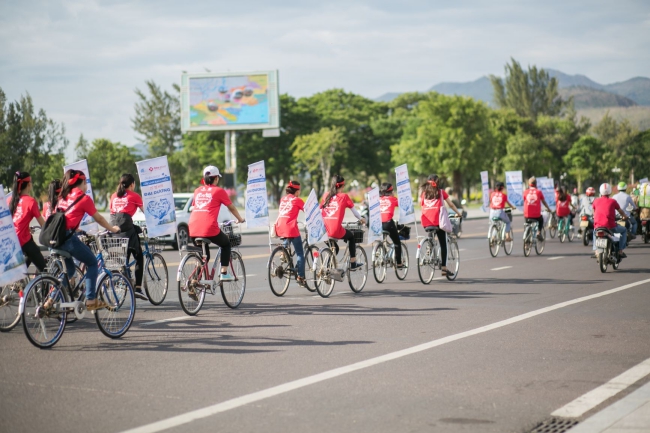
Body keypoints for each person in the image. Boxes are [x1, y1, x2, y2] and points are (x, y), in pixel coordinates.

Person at [49, 169, 121, 311]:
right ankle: (90, 299)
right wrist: (113, 229)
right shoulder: (83, 198)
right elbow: (99, 218)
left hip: (56, 238)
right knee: (92, 262)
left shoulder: (63, 196)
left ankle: (50, 301)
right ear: (82, 182)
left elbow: (63, 219)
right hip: (68, 239)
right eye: (86, 182)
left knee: (69, 271)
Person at [188, 166, 245, 283]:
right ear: (216, 179)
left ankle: (195, 281)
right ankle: (224, 272)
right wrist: (240, 219)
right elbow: (231, 207)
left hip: (193, 228)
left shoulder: (197, 191)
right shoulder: (219, 191)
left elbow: (194, 207)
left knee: (204, 257)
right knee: (226, 244)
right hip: (208, 227)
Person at [109, 174, 148, 301]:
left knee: (123, 254)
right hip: (126, 227)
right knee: (139, 256)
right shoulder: (134, 196)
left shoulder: (114, 196)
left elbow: (114, 213)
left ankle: (124, 275)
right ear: (132, 184)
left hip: (114, 227)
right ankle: (137, 288)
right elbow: (146, 212)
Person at [420, 174, 462, 277]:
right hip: (438, 222)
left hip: (426, 222)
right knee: (443, 244)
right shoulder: (441, 192)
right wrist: (458, 213)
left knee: (431, 232)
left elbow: (421, 205)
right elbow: (451, 204)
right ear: (437, 182)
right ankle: (444, 268)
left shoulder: (424, 193)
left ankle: (429, 247)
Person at [321, 175, 366, 269]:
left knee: (335, 249)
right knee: (351, 237)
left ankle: (327, 269)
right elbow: (355, 213)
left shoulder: (326, 195)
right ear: (341, 186)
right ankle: (353, 263)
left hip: (324, 230)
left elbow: (319, 211)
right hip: (335, 230)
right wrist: (361, 219)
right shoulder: (344, 196)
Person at [7, 172, 47, 273]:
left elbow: (15, 220)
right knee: (44, 269)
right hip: (23, 240)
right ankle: (42, 285)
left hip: (10, 240)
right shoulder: (31, 201)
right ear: (29, 185)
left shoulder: (9, 200)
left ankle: (19, 278)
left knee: (29, 255)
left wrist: (26, 228)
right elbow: (43, 224)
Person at [273, 180, 307, 286]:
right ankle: (300, 277)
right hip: (290, 228)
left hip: (279, 227)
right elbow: (309, 211)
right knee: (300, 253)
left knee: (287, 236)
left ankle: (283, 252)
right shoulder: (297, 200)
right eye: (299, 190)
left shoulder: (283, 199)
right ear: (296, 191)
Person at [593, 183, 629, 258]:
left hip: (598, 226)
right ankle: (620, 250)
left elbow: (594, 212)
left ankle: (596, 250)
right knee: (624, 230)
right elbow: (620, 211)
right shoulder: (613, 201)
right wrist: (624, 216)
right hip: (610, 226)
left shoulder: (596, 201)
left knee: (594, 232)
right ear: (610, 191)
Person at [379, 182, 403, 268]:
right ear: (391, 191)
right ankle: (399, 263)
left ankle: (380, 254)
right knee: (397, 242)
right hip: (388, 223)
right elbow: (402, 205)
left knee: (381, 240)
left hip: (377, 224)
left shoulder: (378, 199)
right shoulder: (393, 199)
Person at [523, 177, 552, 241]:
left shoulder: (525, 192)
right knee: (541, 220)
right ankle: (539, 232)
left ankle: (526, 244)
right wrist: (548, 209)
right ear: (536, 184)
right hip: (536, 215)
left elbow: (524, 200)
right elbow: (544, 202)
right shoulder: (539, 192)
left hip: (527, 215)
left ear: (529, 184)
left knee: (527, 224)